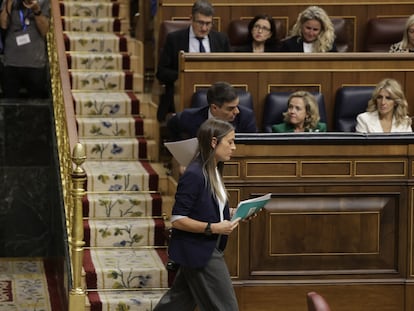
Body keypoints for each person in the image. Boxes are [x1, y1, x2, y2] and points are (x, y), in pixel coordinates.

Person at [153, 118, 240, 311]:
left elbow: (207, 207)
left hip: (203, 248)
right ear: (213, 142)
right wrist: (213, 227)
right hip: (200, 249)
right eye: (230, 142)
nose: (234, 147)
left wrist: (234, 212)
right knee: (226, 308)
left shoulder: (214, 169)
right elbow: (177, 219)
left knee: (176, 304)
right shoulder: (194, 173)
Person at [156, 0, 231, 122]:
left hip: (215, 96)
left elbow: (229, 69)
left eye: (208, 23)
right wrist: (186, 76)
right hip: (181, 96)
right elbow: (161, 72)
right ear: (191, 19)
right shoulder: (174, 39)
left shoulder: (221, 39)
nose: (204, 28)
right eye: (200, 23)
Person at [167, 81, 257, 141]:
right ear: (214, 108)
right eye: (230, 108)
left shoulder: (246, 117)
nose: (237, 111)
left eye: (237, 106)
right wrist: (180, 158)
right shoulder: (189, 117)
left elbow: (252, 147)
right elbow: (172, 123)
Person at [0, 0, 50, 98]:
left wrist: (37, 11)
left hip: (35, 63)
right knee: (10, 106)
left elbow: (44, 31)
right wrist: (9, 3)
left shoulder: (43, 1)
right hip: (11, 62)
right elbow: (3, 24)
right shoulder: (9, 1)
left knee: (36, 106)